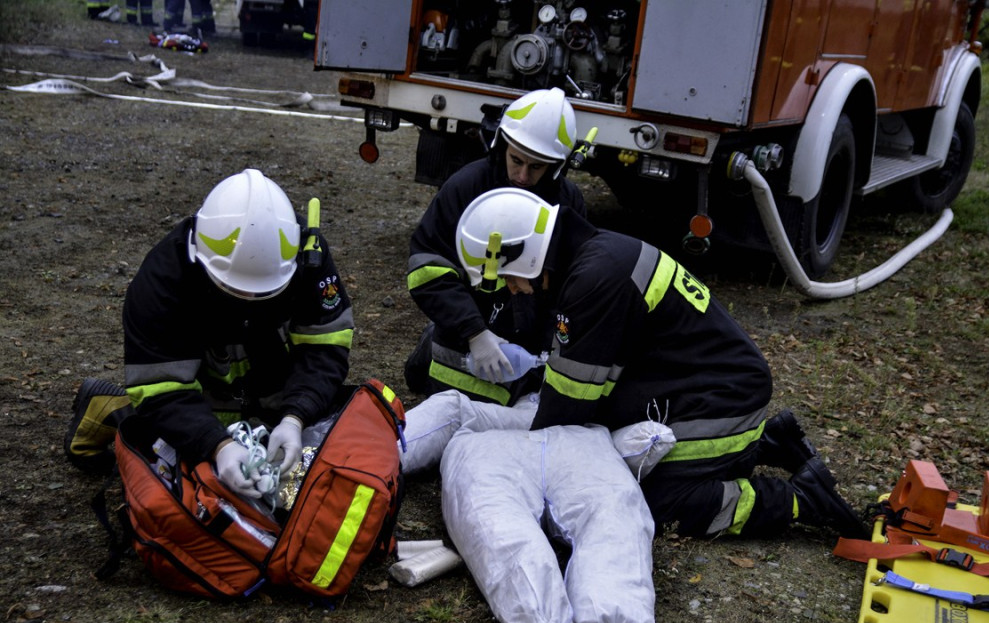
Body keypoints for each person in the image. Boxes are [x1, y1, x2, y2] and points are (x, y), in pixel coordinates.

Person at [454, 187, 870, 540]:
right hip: (707, 382)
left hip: (723, 400)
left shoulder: (594, 280)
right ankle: (768, 442)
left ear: (528, 256)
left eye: (509, 278)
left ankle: (799, 501)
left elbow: (565, 412)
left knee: (653, 503)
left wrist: (526, 472)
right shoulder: (595, 256)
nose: (513, 290)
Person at [64, 169, 353, 500]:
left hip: (273, 397)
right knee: (165, 443)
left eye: (264, 294)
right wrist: (217, 445)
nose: (250, 302)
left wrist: (296, 416)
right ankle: (113, 411)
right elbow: (163, 389)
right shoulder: (161, 283)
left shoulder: (304, 255)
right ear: (199, 259)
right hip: (201, 398)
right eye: (233, 289)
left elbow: (326, 346)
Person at [405, 87, 586, 406]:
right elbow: (426, 269)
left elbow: (574, 285)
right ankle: (429, 346)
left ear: (557, 165)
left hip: (530, 365)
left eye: (537, 167)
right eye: (516, 160)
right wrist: (474, 333)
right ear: (501, 143)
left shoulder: (566, 203)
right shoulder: (467, 188)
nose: (522, 175)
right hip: (463, 360)